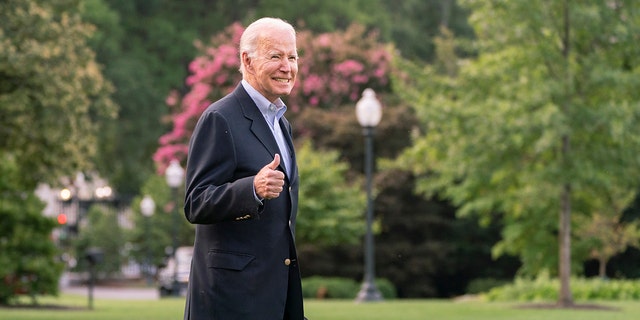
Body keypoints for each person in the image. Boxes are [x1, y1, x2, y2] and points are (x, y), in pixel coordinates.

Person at [183, 17, 306, 320]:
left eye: (292, 57)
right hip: (231, 300)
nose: (287, 66)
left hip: (274, 295)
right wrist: (251, 189)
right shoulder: (220, 118)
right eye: (276, 56)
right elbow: (196, 202)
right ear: (247, 60)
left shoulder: (281, 123)